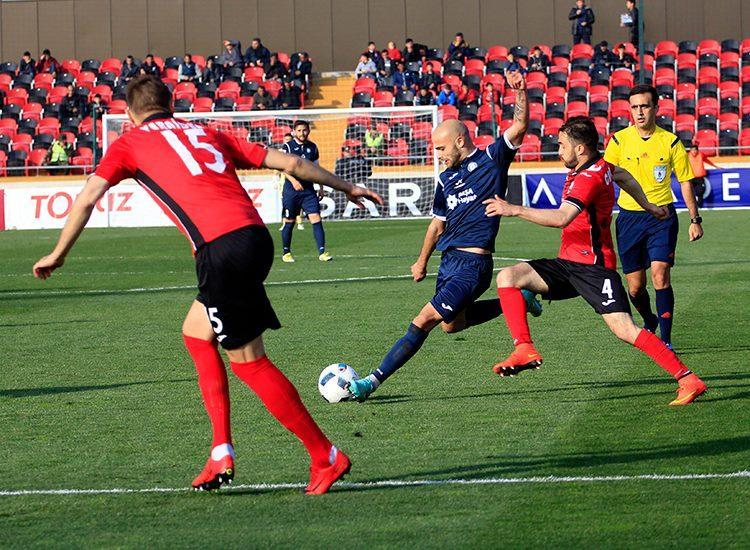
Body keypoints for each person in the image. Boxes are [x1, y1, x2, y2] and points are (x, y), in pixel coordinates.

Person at [32, 75, 383, 494]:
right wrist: (348, 186)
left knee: (250, 362)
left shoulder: (129, 143)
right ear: (171, 105)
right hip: (255, 237)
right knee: (196, 333)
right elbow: (290, 164)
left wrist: (58, 253)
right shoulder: (206, 132)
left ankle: (324, 455)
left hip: (221, 250)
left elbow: (89, 196)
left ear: (129, 114)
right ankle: (220, 450)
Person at [483, 116, 707, 406]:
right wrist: (649, 206)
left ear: (580, 149)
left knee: (625, 329)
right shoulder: (601, 166)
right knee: (509, 277)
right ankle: (524, 348)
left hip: (593, 270)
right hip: (568, 264)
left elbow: (562, 218)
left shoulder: (588, 178)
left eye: (562, 145)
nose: (558, 151)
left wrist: (513, 209)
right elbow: (624, 176)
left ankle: (688, 379)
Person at [347, 72, 538, 401]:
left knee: (423, 320)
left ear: (460, 141)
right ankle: (519, 300)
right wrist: (421, 261)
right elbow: (437, 225)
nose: (438, 154)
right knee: (452, 325)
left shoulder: (491, 159)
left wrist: (520, 93)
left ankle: (371, 381)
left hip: (473, 265)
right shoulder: (446, 178)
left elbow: (519, 127)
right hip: (449, 263)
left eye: (441, 148)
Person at [604, 84, 703, 350]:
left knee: (660, 275)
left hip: (662, 217)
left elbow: (685, 181)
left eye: (645, 106)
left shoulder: (670, 141)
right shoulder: (618, 141)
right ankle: (649, 318)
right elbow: (604, 178)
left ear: (656, 108)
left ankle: (666, 340)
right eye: (634, 107)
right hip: (629, 219)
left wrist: (695, 220)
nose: (639, 112)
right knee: (635, 287)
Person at [280, 120, 333, 262]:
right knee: (289, 221)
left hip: (308, 191)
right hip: (291, 191)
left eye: (304, 130)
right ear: (294, 132)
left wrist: (321, 187)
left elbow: (316, 169)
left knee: (316, 218)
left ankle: (322, 252)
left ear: (308, 131)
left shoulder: (312, 147)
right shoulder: (288, 147)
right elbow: (282, 168)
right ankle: (286, 253)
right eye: (299, 130)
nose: (302, 133)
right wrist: (294, 181)